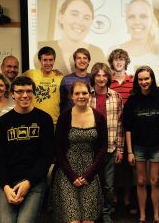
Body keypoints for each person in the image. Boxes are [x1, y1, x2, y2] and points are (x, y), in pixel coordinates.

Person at [0, 76, 54, 223]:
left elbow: (47, 156)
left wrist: (29, 182)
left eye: (28, 91)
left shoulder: (44, 119)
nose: (24, 95)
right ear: (12, 94)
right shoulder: (2, 123)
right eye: (19, 92)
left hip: (34, 181)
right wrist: (6, 188)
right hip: (7, 182)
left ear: (33, 93)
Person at [51, 81, 108, 223]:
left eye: (84, 93)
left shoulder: (99, 117)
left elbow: (102, 147)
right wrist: (72, 176)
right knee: (74, 220)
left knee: (88, 220)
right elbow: (58, 148)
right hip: (67, 172)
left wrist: (88, 175)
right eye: (77, 93)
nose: (81, 96)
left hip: (91, 172)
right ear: (71, 96)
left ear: (90, 95)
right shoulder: (64, 117)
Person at [123, 66, 159, 223]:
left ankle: (156, 215)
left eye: (146, 79)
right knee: (141, 181)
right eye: (140, 79)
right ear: (137, 81)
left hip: (156, 146)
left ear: (152, 79)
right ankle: (142, 215)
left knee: (155, 181)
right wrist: (129, 152)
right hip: (138, 147)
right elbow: (127, 128)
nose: (144, 82)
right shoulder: (132, 100)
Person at [37, 0, 106, 75]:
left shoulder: (97, 53)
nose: (80, 22)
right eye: (74, 14)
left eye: (86, 17)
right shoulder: (40, 47)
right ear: (61, 17)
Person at [89, 62, 124, 223]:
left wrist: (121, 149)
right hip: (91, 149)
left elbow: (120, 124)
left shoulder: (116, 96)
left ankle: (105, 212)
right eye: (98, 75)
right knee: (91, 183)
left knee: (108, 185)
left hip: (110, 147)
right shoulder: (86, 96)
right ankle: (92, 212)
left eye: (104, 75)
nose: (101, 78)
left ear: (108, 77)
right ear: (93, 77)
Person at [117, 0, 159, 76]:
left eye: (143, 16)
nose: (137, 22)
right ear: (126, 21)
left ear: (152, 21)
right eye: (132, 16)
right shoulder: (113, 53)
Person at [107, 48, 137, 215]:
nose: (118, 63)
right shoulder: (107, 81)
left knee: (127, 166)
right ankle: (114, 198)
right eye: (116, 60)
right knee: (113, 166)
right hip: (112, 129)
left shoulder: (133, 81)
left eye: (121, 60)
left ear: (126, 62)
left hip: (129, 130)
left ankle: (126, 198)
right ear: (112, 62)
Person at [23, 46, 63, 125]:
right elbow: (15, 84)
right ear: (40, 61)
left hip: (54, 122)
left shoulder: (60, 77)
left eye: (51, 60)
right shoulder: (30, 73)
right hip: (33, 121)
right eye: (45, 60)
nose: (48, 63)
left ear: (54, 60)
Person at [60, 48, 92, 113]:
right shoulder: (66, 79)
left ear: (88, 61)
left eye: (85, 58)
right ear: (75, 61)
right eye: (79, 58)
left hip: (89, 117)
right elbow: (61, 101)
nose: (82, 60)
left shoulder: (94, 79)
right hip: (70, 119)